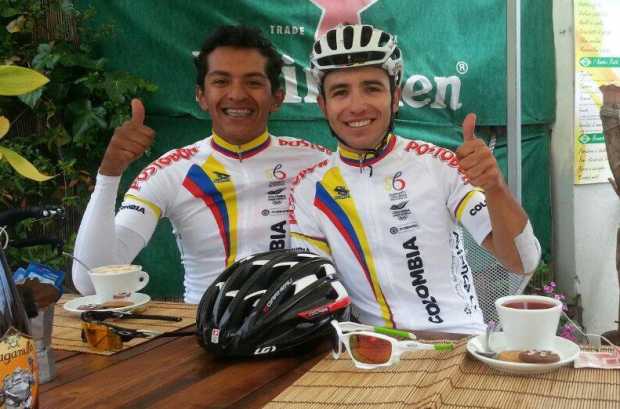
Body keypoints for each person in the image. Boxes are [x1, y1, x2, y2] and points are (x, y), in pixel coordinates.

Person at [289, 24, 541, 334]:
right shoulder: (308, 189)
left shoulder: (437, 164)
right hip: (374, 349)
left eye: (372, 88)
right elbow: (317, 293)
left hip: (458, 338)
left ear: (394, 98)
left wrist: (495, 187)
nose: (357, 106)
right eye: (341, 92)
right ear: (323, 105)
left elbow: (522, 262)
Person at [72, 25, 331, 303]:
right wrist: (109, 175)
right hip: (202, 326)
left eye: (253, 82)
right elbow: (90, 281)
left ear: (277, 98)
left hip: (295, 324)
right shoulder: (170, 171)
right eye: (221, 81)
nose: (237, 94)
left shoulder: (316, 163)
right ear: (201, 97)